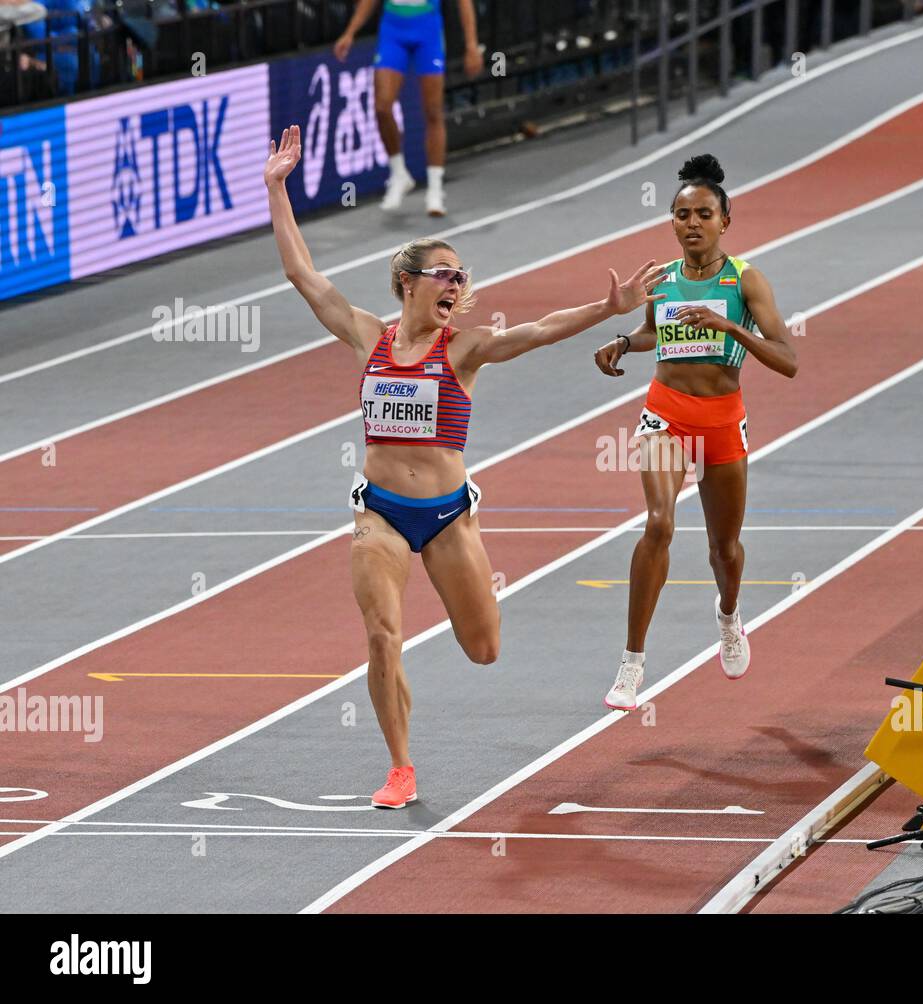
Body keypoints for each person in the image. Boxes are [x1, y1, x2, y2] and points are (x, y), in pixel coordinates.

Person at [265, 125, 666, 806]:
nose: (457, 284)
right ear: (407, 283)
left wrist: (607, 308)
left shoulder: (466, 350)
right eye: (444, 274)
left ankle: (407, 686)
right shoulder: (370, 336)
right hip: (380, 515)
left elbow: (536, 331)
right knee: (382, 635)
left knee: (483, 649)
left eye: (462, 276)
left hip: (449, 518)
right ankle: (400, 766)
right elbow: (304, 276)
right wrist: (277, 188)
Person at [592, 154, 798, 712]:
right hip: (666, 412)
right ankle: (632, 666)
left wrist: (732, 326)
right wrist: (621, 343)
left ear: (724, 221)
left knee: (724, 549)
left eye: (703, 213)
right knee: (658, 524)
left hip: (723, 419)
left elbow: (788, 359)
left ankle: (729, 615)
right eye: (682, 214)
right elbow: (651, 334)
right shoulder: (663, 281)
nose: (692, 223)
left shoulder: (746, 279)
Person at [334, 0, 483, 215]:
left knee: (433, 111)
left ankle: (435, 189)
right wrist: (350, 32)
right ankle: (398, 173)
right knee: (382, 107)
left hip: (428, 31)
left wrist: (471, 45)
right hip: (393, 31)